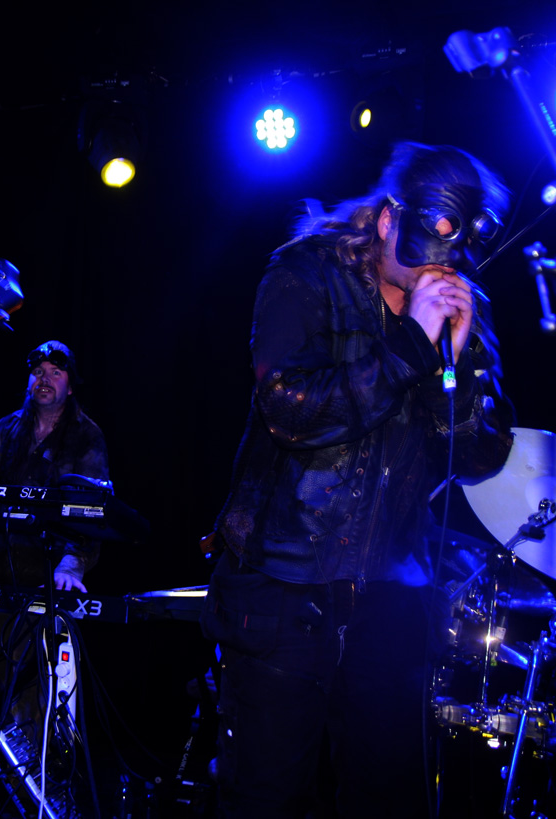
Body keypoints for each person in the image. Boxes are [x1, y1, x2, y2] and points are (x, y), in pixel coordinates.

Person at [199, 143, 515, 819]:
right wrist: (410, 344)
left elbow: (481, 456)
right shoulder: (305, 272)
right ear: (387, 219)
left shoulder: (462, 304)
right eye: (426, 245)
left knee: (389, 798)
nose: (438, 268)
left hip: (391, 590)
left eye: (454, 252)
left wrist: (453, 367)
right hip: (287, 581)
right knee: (267, 798)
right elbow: (290, 412)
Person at [0, 340, 110, 593]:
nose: (44, 379)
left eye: (56, 372)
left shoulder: (87, 435)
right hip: (4, 572)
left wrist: (69, 567)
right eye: (38, 372)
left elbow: (91, 511)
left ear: (70, 387)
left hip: (56, 579)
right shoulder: (7, 427)